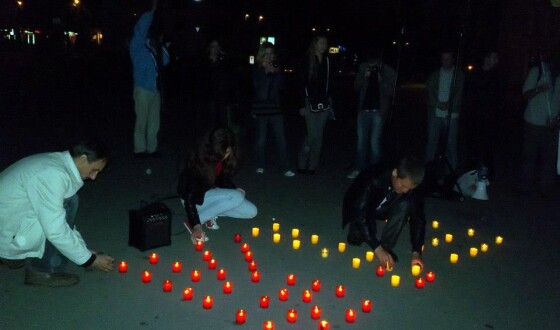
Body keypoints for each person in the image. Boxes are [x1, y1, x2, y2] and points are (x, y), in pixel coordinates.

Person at [0, 140, 115, 287]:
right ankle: (41, 271)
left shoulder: (55, 163)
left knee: (67, 202)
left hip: (10, 222)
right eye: (95, 170)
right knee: (68, 205)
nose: (94, 177)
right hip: (6, 231)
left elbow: (63, 221)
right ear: (83, 159)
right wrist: (90, 261)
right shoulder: (53, 175)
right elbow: (57, 229)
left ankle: (12, 256)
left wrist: (86, 252)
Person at [342, 157, 426, 271]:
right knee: (356, 237)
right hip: (361, 206)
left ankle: (386, 247)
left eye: (409, 188)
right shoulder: (374, 177)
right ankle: (362, 232)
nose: (406, 190)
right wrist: (376, 247)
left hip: (386, 206)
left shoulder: (410, 185)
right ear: (395, 173)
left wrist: (417, 252)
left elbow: (418, 218)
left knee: (406, 204)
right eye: (403, 185)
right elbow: (359, 211)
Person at [177, 127, 258, 243]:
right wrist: (197, 226)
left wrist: (234, 189)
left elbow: (221, 180)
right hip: (193, 200)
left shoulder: (221, 158)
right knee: (237, 197)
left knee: (251, 211)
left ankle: (210, 215)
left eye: (228, 152)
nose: (226, 155)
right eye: (225, 152)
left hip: (210, 196)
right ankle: (194, 222)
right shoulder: (198, 163)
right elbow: (189, 199)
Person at [347, 49, 397, 179]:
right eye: (370, 63)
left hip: (379, 112)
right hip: (363, 110)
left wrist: (381, 81)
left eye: (374, 63)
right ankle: (358, 169)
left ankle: (373, 172)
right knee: (361, 142)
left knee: (374, 143)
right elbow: (356, 87)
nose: (372, 65)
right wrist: (364, 77)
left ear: (380, 62)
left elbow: (392, 92)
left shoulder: (388, 71)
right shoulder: (363, 67)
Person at [130, 0, 170, 158]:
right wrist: (151, 12)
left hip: (155, 89)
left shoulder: (155, 48)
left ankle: (152, 148)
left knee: (154, 121)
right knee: (141, 120)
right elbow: (140, 28)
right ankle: (139, 149)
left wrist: (163, 46)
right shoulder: (137, 46)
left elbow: (165, 61)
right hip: (142, 88)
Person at [519, 49, 560, 197]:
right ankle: (525, 187)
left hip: (552, 125)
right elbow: (525, 94)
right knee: (529, 156)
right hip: (533, 122)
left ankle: (545, 189)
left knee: (549, 160)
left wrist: (557, 119)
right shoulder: (537, 72)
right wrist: (539, 89)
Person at [251, 42, 295, 177]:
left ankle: (286, 166)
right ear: (262, 54)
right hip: (261, 109)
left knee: (281, 138)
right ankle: (260, 164)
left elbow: (281, 87)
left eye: (272, 53)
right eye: (267, 53)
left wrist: (276, 74)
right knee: (261, 140)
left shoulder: (277, 67)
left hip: (275, 108)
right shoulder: (257, 69)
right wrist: (266, 74)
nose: (270, 56)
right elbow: (261, 92)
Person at [465, 50, 504, 181]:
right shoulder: (475, 74)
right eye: (494, 57)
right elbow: (470, 96)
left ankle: (487, 177)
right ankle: (470, 176)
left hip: (490, 120)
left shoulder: (496, 76)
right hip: (475, 119)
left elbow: (498, 99)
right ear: (486, 58)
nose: (496, 61)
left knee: (488, 150)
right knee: (473, 149)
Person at [425, 50, 465, 171]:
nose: (445, 62)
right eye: (443, 59)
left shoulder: (458, 74)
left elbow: (459, 93)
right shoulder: (435, 74)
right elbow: (429, 91)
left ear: (452, 59)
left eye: (448, 59)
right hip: (435, 115)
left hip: (451, 116)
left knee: (451, 146)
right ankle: (427, 171)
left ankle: (451, 172)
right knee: (431, 144)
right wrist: (437, 104)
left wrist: (450, 105)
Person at [297, 35, 332, 175]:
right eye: (321, 42)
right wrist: (302, 104)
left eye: (326, 43)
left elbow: (329, 82)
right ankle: (301, 160)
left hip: (324, 102)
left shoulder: (328, 60)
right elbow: (301, 83)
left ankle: (313, 164)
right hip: (309, 101)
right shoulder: (306, 60)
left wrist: (330, 100)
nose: (324, 45)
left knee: (319, 135)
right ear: (315, 44)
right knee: (312, 134)